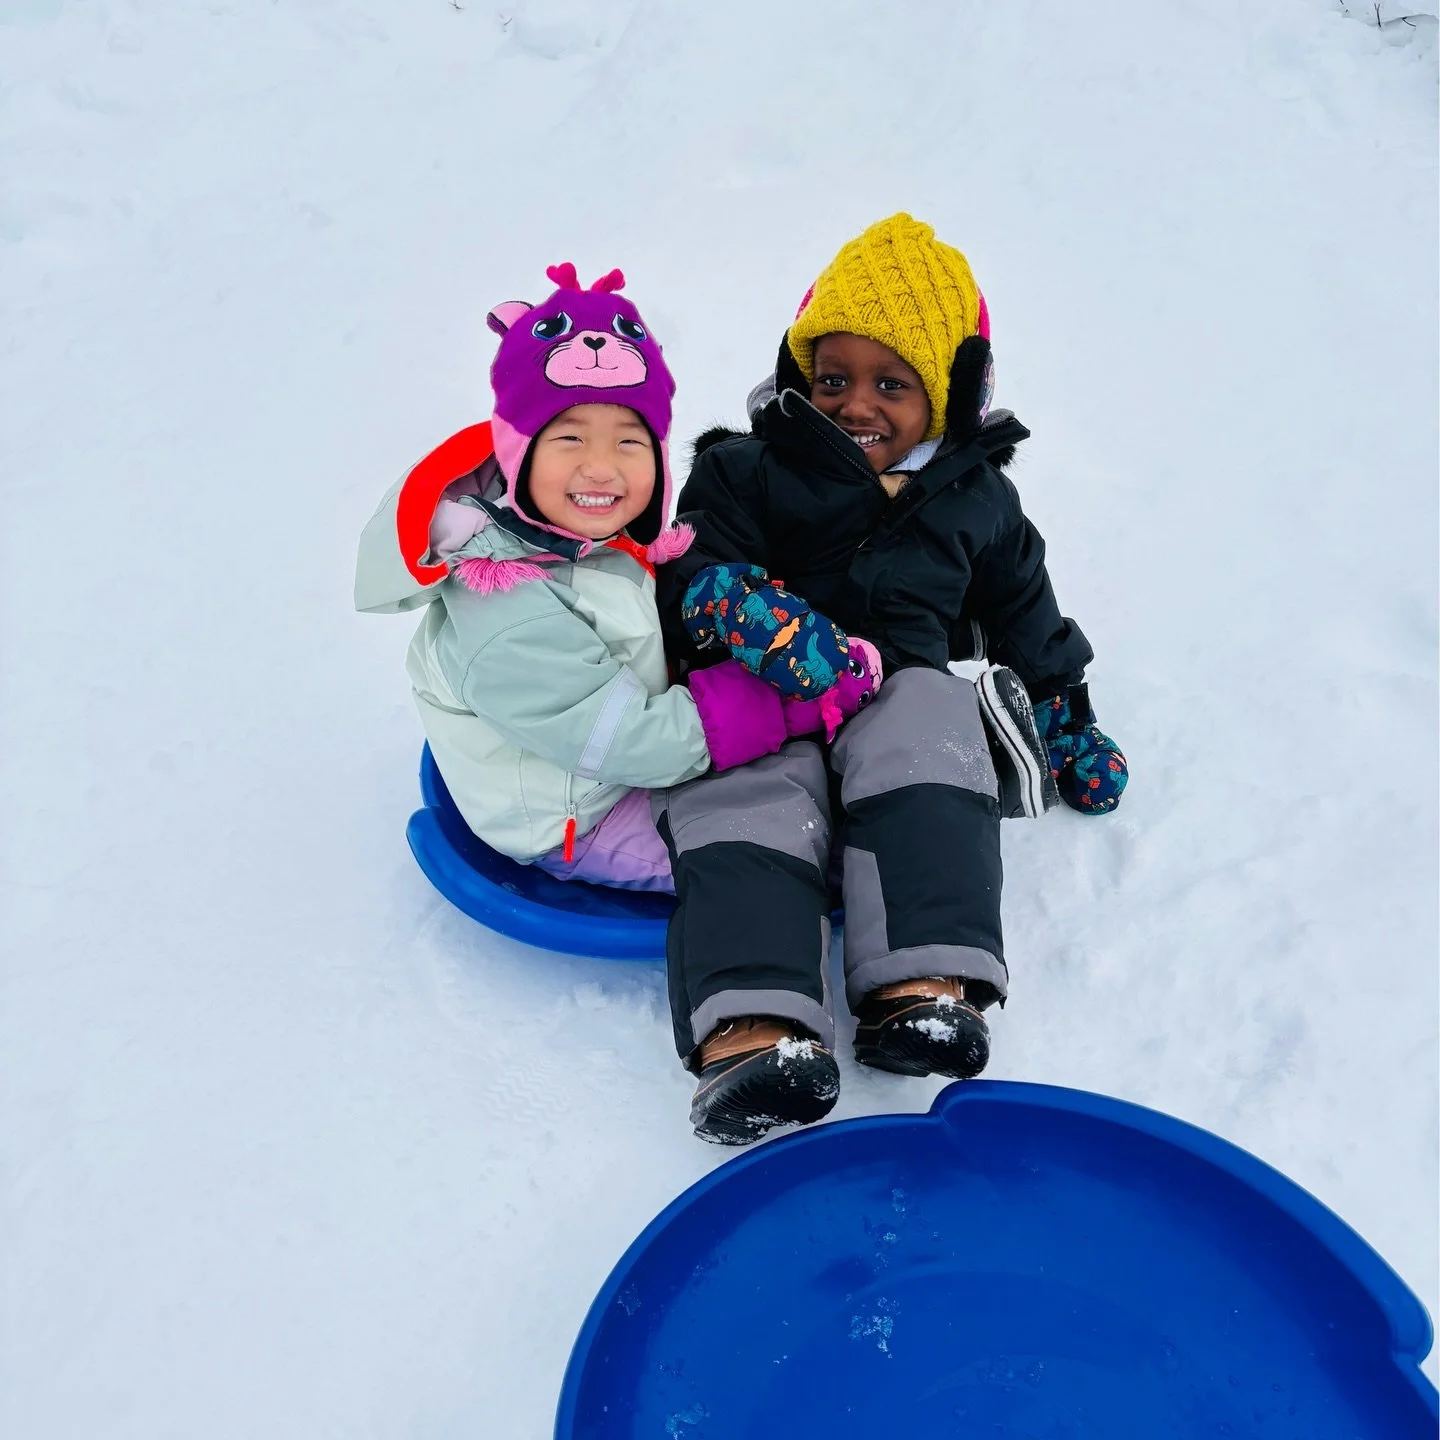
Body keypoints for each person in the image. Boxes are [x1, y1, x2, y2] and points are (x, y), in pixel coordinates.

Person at [656, 214, 1129, 1144]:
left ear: (950, 394)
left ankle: (920, 983)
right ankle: (756, 1031)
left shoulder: (978, 500)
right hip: (768, 695)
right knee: (747, 795)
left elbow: (1027, 613)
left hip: (893, 691)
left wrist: (1067, 716)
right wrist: (741, 611)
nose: (857, 404)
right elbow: (690, 566)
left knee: (935, 730)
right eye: (833, 379)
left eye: (892, 384)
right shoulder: (745, 469)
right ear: (800, 378)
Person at [354, 263, 880, 895]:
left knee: (804, 778)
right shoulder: (507, 609)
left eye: (629, 443)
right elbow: (626, 738)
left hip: (616, 753)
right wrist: (781, 706)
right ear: (519, 455)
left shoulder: (582, 534)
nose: (600, 470)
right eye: (570, 439)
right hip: (580, 814)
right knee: (786, 854)